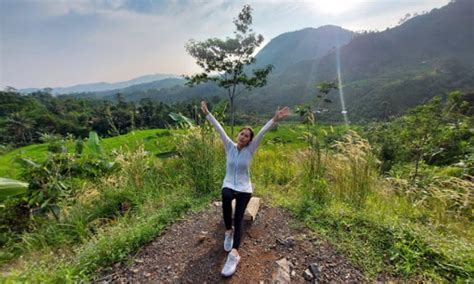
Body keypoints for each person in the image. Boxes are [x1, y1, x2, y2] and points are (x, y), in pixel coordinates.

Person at [200, 101, 290, 277]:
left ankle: (234, 254)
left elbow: (262, 132)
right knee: (225, 197)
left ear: (250, 140)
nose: (243, 137)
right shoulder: (229, 147)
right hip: (229, 184)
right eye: (242, 134)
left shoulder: (250, 150)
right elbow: (219, 129)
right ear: (237, 135)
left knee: (239, 216)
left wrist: (274, 120)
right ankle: (228, 231)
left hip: (244, 188)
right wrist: (207, 114)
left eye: (247, 136)